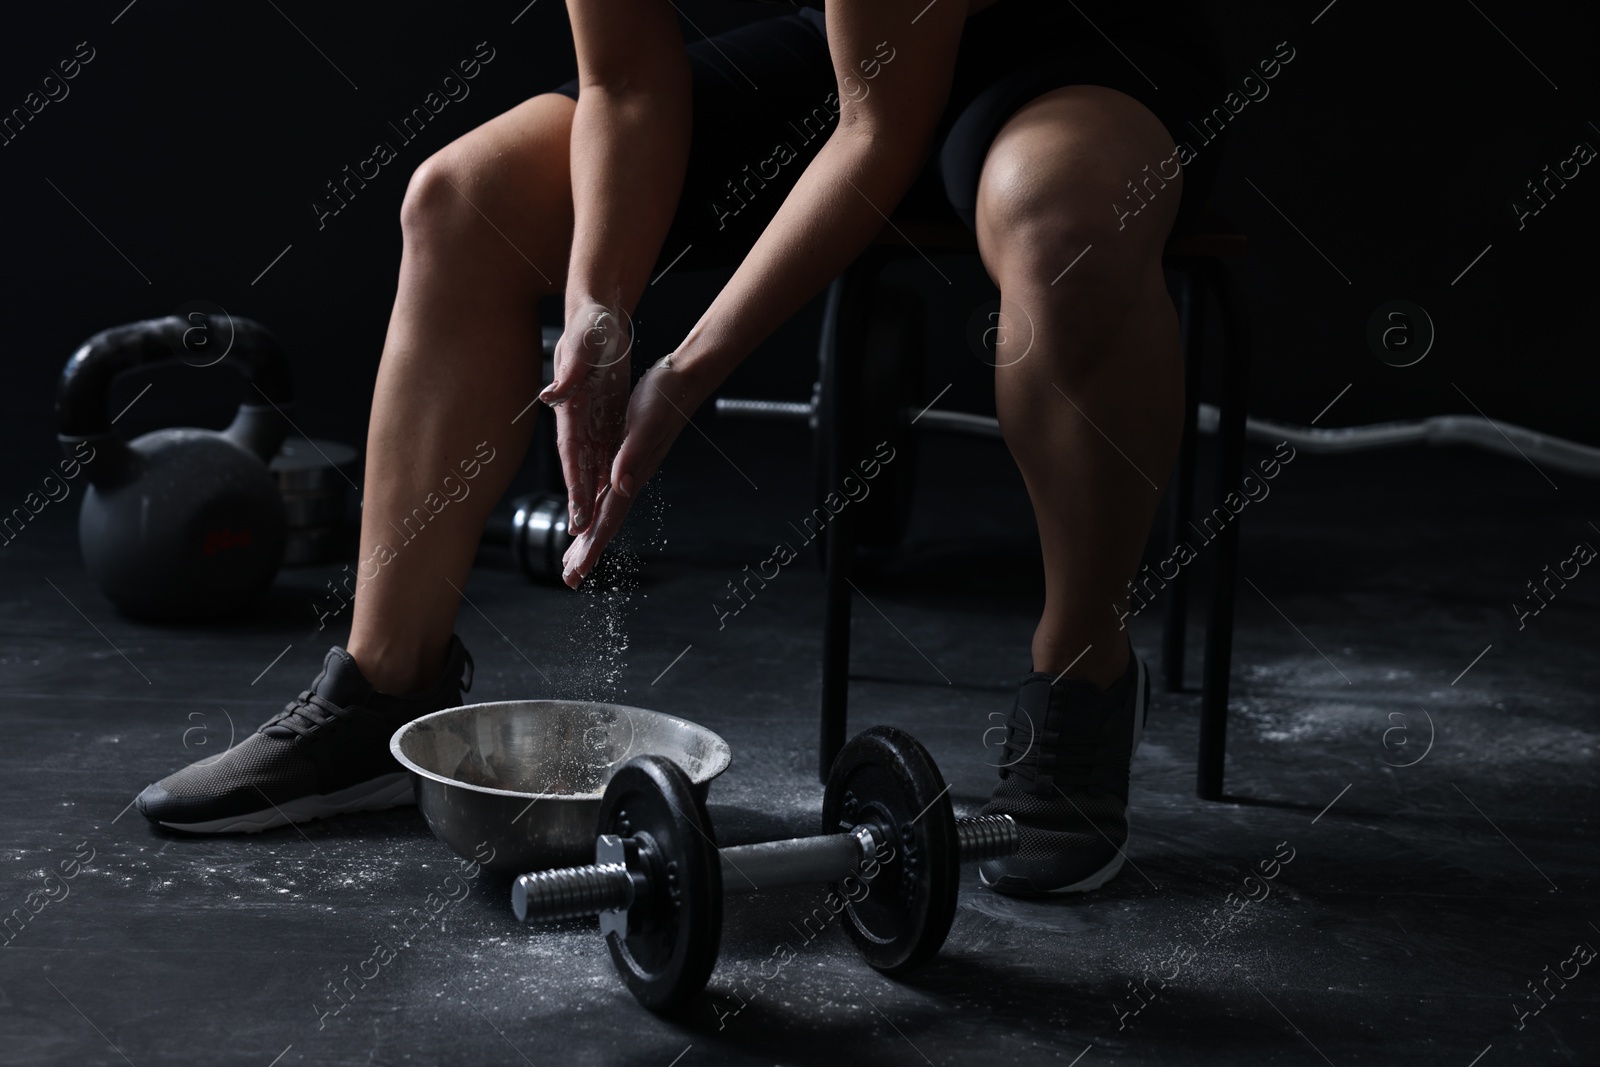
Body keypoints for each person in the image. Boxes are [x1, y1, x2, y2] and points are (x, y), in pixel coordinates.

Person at [137, 0, 1228, 896]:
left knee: (1061, 221)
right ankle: (379, 692)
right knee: (465, 199)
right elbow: (627, 83)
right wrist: (597, 318)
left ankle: (1085, 670)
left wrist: (686, 371)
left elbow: (882, 131)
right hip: (853, 51)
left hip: (1069, 47)